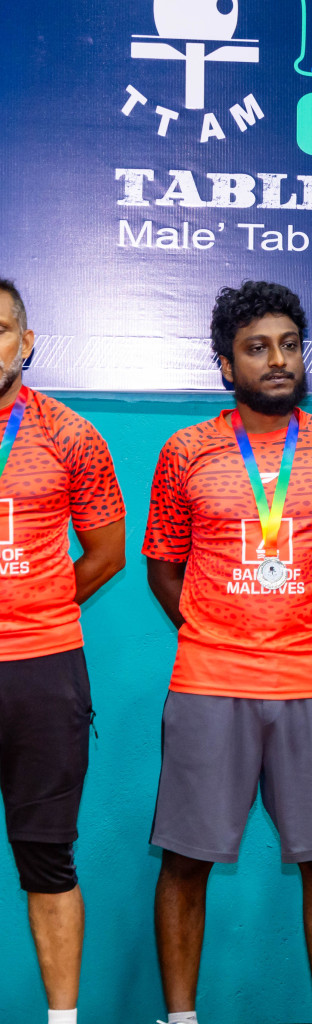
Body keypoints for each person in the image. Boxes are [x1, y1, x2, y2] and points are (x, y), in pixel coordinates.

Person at [144, 282, 312, 1024]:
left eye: (288, 344)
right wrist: (220, 626)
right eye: (256, 348)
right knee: (184, 860)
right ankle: (180, 1019)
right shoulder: (186, 450)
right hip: (209, 679)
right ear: (225, 365)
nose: (277, 360)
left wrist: (301, 616)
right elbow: (163, 566)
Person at [0, 279, 125, 1024]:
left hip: (43, 670)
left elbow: (107, 549)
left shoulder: (70, 434)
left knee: (46, 860)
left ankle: (61, 1021)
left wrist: (38, 603)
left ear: (26, 342)